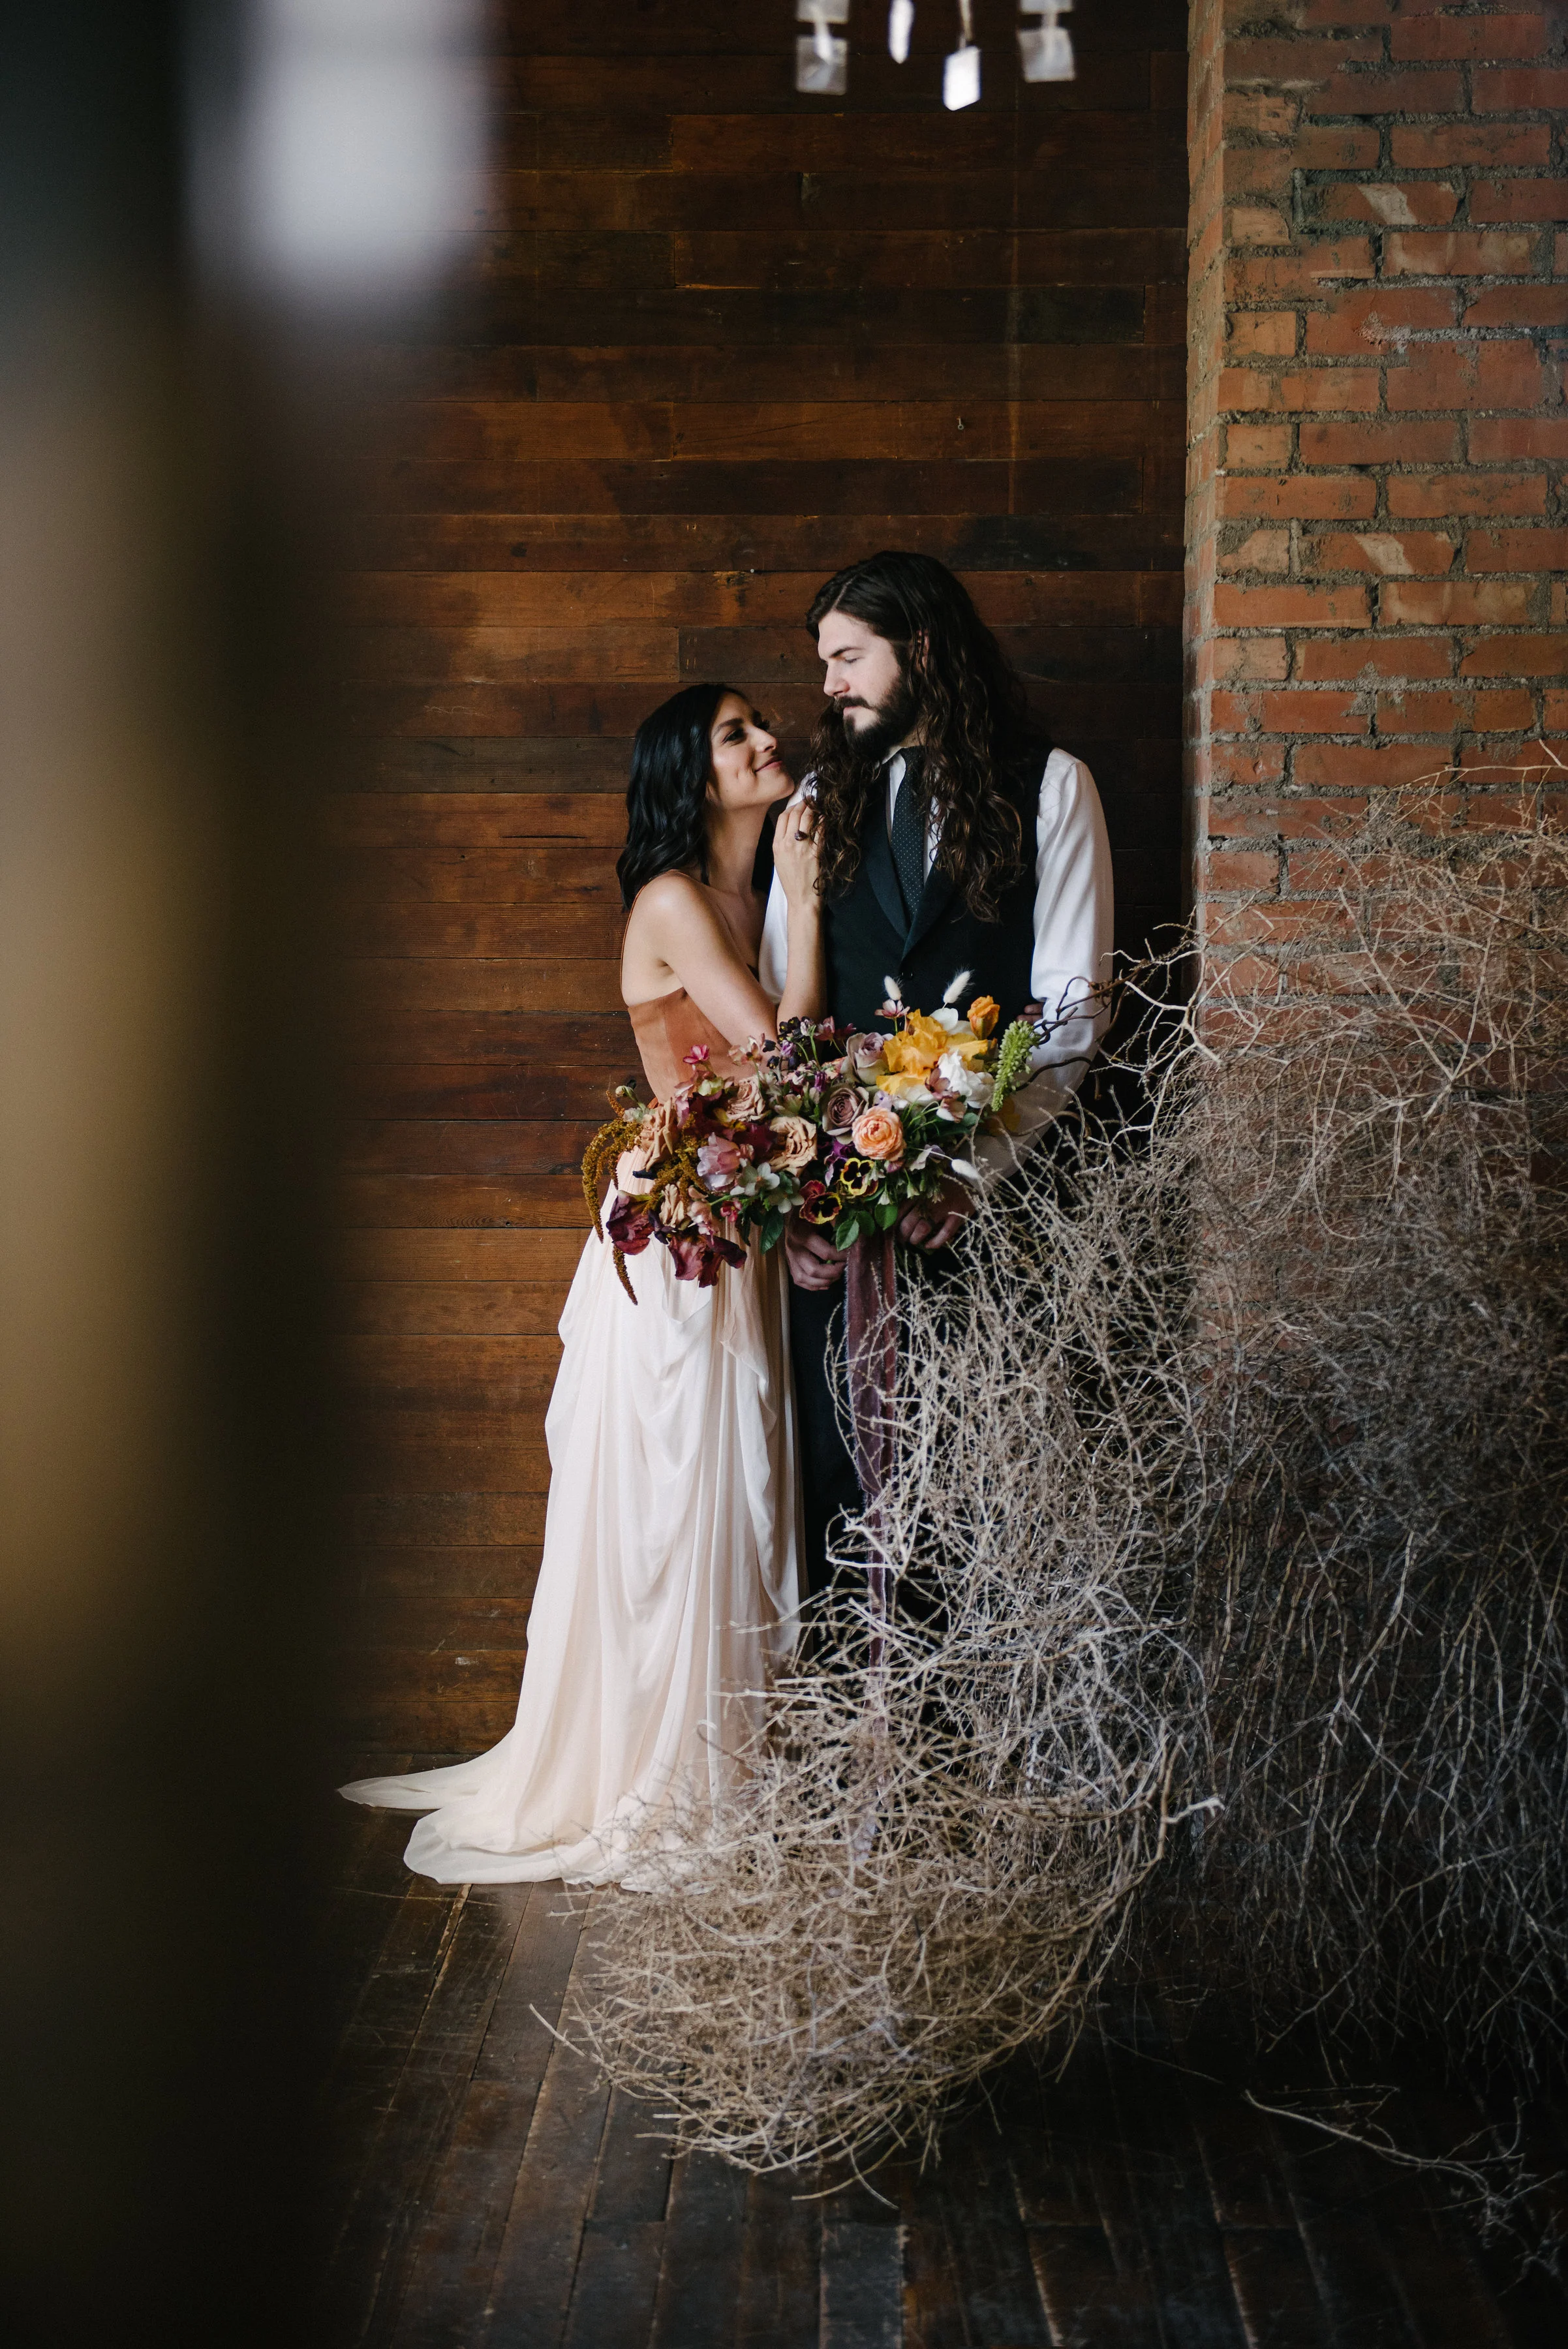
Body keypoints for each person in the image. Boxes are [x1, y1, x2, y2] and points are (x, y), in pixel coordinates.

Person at [341, 684, 825, 1882]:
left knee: (737, 1480)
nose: (769, 741)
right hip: (676, 1234)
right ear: (687, 771)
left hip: (735, 1214)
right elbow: (777, 1055)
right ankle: (646, 1760)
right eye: (734, 734)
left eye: (762, 722)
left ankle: (730, 1748)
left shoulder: (739, 890)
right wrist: (810, 904)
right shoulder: (673, 899)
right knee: (675, 1491)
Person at [758, 551, 1115, 1597]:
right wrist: (799, 1195)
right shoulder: (820, 798)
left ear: (919, 648)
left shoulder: (1052, 785)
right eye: (823, 660)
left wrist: (975, 1169)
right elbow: (790, 1002)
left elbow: (1071, 1007)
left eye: (847, 656)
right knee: (841, 1468)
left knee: (979, 1475)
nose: (827, 684)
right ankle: (855, 1728)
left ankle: (971, 1737)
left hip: (1002, 1215)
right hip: (847, 1219)